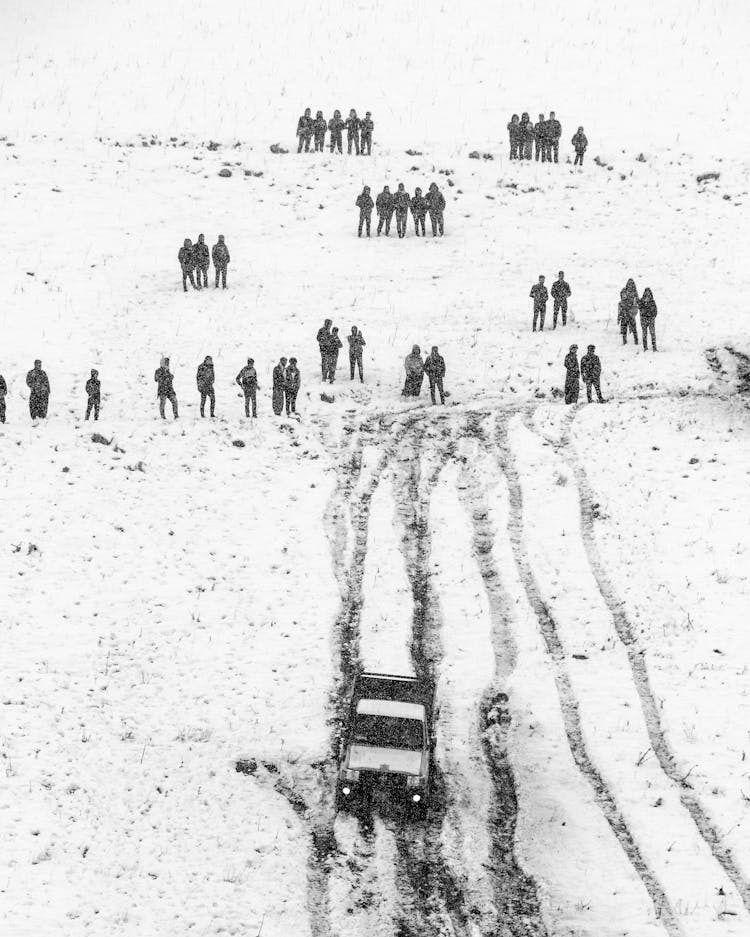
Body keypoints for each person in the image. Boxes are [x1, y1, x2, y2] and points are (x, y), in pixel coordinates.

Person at [618, 279, 639, 345]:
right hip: (624, 311)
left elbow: (637, 301)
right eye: (629, 284)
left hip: (631, 312)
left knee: (634, 327)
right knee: (624, 327)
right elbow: (621, 298)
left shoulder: (634, 292)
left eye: (631, 284)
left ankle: (636, 340)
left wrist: (633, 308)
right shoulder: (624, 290)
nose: (630, 285)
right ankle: (624, 341)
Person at [638, 287, 658, 352]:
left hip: (651, 319)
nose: (647, 295)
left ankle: (654, 347)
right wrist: (643, 304)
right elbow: (639, 308)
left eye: (649, 293)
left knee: (652, 333)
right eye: (646, 293)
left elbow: (655, 311)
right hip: (643, 320)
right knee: (644, 333)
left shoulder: (652, 302)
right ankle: (645, 347)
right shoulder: (641, 301)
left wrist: (652, 317)